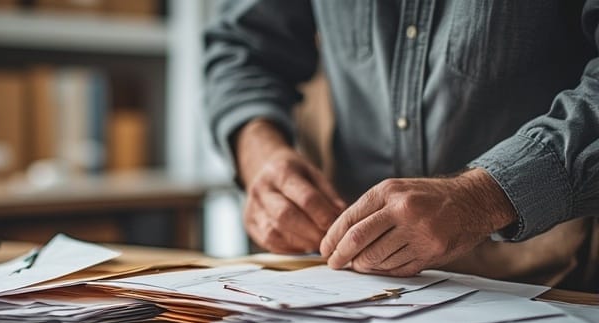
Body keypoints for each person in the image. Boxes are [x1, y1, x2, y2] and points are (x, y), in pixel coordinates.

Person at [203, 0, 599, 287]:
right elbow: (242, 46)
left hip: (553, 287)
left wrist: (481, 198)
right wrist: (261, 155)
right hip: (349, 288)